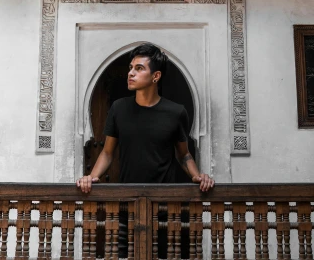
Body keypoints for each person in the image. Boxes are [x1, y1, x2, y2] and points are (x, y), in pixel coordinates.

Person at [77, 43, 214, 192]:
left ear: (156, 76)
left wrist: (198, 177)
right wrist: (91, 177)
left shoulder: (176, 112)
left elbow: (183, 155)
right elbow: (107, 153)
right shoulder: (118, 108)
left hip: (165, 200)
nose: (131, 73)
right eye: (131, 68)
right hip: (128, 200)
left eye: (139, 68)